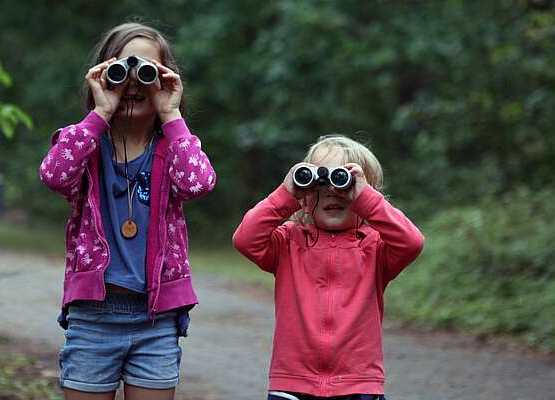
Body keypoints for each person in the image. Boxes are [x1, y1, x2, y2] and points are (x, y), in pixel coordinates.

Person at [39, 21, 216, 400]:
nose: (133, 83)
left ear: (165, 81)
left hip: (155, 318)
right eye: (121, 71)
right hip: (93, 315)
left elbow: (198, 183)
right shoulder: (85, 143)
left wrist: (171, 115)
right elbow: (54, 174)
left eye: (146, 73)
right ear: (102, 77)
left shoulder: (172, 147)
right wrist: (100, 112)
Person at [233, 135, 424, 400]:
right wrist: (285, 195)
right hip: (293, 381)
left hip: (359, 383)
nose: (333, 191)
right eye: (320, 183)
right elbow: (245, 239)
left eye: (344, 182)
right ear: (305, 195)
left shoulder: (375, 247)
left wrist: (366, 199)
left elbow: (412, 242)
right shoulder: (289, 242)